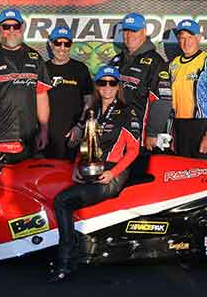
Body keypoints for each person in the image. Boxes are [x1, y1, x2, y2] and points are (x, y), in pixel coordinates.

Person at [50, 65, 140, 282]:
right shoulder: (93, 111)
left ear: (118, 86)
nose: (107, 87)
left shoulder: (128, 111)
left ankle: (65, 262)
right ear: (97, 86)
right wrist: (75, 167)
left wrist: (114, 173)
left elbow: (134, 149)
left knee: (62, 201)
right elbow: (86, 144)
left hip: (113, 173)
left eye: (112, 83)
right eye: (102, 83)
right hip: (92, 169)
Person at [0, 8, 51, 162]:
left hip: (28, 139)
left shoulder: (35, 58)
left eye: (15, 26)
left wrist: (44, 129)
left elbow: (41, 95)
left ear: (22, 28)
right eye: (6, 27)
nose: (11, 31)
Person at [110, 13, 171, 150]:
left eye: (134, 31)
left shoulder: (155, 62)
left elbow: (162, 100)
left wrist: (153, 133)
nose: (129, 35)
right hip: (116, 133)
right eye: (126, 30)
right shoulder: (117, 60)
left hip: (140, 137)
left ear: (144, 32)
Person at [169, 19, 207, 158]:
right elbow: (170, 102)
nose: (186, 42)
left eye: (190, 37)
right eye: (182, 38)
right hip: (180, 127)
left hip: (202, 127)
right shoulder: (174, 64)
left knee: (204, 175)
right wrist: (170, 133)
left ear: (198, 38)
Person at [45, 26, 94, 159]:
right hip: (48, 137)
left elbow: (89, 101)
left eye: (66, 44)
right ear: (50, 44)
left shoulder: (80, 69)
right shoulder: (43, 69)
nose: (62, 48)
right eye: (57, 43)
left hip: (74, 136)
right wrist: (41, 131)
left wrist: (80, 126)